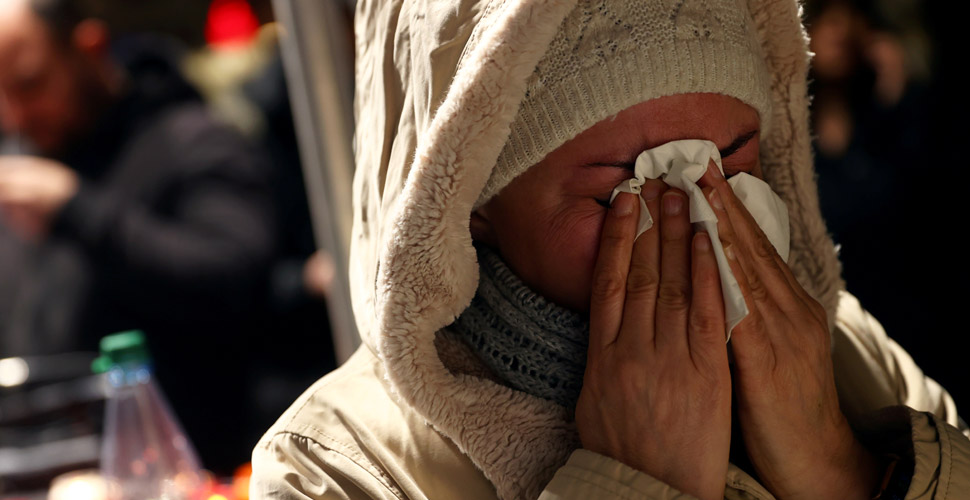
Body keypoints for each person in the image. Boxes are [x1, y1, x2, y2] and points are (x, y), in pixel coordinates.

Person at [251, 0, 970, 498]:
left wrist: (841, 470)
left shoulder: (845, 353)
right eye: (620, 192)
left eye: (735, 168)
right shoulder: (341, 468)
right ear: (467, 207)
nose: (699, 221)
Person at [0, 0, 274, 472]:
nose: (14, 116)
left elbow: (234, 276)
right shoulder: (25, 157)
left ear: (90, 47)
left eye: (29, 84)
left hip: (192, 470)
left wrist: (77, 210)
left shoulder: (192, 139)